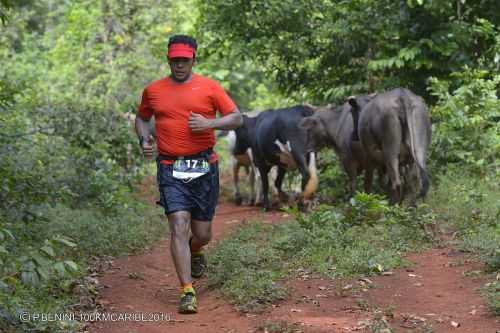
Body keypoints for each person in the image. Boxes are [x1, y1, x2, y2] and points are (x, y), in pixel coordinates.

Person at [135, 35, 242, 314]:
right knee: (178, 224)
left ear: (194, 59)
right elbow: (142, 117)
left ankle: (197, 250)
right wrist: (145, 140)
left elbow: (236, 118)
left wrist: (211, 122)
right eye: (175, 60)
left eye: (185, 59)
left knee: (202, 233)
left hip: (204, 166)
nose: (179, 64)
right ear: (168, 59)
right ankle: (186, 290)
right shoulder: (153, 90)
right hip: (170, 166)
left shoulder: (209, 87)